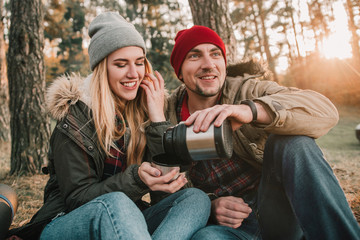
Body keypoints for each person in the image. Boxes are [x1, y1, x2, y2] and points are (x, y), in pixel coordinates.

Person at [7, 13, 210, 240]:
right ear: (103, 69)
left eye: (139, 62)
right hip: (66, 223)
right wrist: (137, 179)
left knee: (194, 199)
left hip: (123, 224)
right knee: (115, 202)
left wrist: (157, 119)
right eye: (121, 64)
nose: (134, 73)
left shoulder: (142, 112)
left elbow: (166, 191)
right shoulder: (76, 116)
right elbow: (78, 197)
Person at [146, 25, 360, 239]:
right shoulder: (166, 116)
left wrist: (250, 110)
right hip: (228, 229)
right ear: (180, 72)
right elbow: (164, 199)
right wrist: (210, 205)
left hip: (277, 212)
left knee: (293, 144)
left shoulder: (248, 90)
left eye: (215, 54)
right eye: (194, 56)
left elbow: (326, 111)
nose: (208, 64)